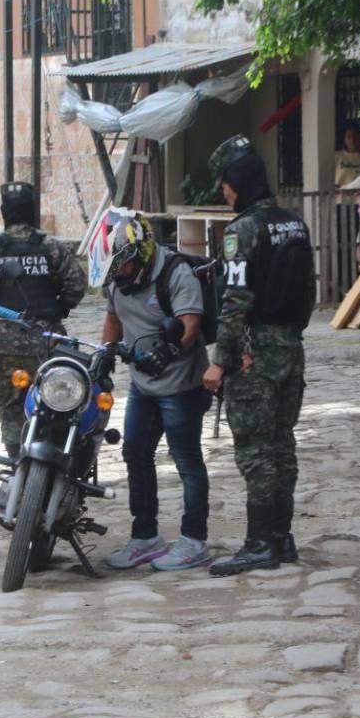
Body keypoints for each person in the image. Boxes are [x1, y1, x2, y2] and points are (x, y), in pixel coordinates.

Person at [202, 134, 315, 576]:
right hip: (290, 345)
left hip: (254, 351)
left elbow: (235, 300)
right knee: (283, 443)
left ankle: (257, 543)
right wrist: (290, 334)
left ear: (239, 180)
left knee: (255, 449)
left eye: (225, 183)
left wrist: (221, 359)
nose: (222, 192)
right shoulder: (294, 223)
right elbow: (309, 290)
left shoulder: (242, 231)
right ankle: (281, 538)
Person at [100, 216, 214, 571]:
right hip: (142, 385)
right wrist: (105, 354)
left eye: (126, 263)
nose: (120, 271)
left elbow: (190, 325)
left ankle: (193, 541)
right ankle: (145, 536)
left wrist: (167, 352)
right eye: (115, 265)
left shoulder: (176, 274)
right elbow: (113, 320)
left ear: (144, 254)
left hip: (181, 385)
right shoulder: (117, 280)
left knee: (186, 461)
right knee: (135, 452)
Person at [0, 182, 86, 458]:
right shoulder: (53, 249)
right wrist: (57, 310)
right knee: (55, 402)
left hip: (7, 350)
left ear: (5, 213)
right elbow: (77, 286)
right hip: (48, 343)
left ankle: (17, 463)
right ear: (34, 213)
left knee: (11, 408)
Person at [334, 121, 360, 187]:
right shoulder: (337, 156)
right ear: (344, 140)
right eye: (349, 137)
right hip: (343, 194)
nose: (352, 140)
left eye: (355, 137)